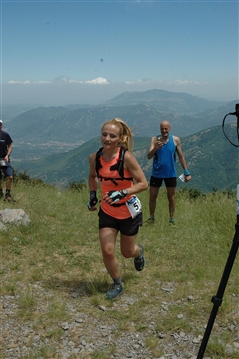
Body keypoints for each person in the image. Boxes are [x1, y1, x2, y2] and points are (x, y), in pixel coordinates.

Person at [88, 118, 148, 300]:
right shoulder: (95, 158)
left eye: (112, 136)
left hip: (128, 212)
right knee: (107, 250)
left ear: (120, 138)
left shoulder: (126, 158)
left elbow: (143, 184)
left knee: (127, 252)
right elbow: (92, 176)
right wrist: (92, 195)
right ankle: (117, 283)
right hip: (107, 211)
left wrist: (122, 192)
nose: (106, 139)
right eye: (104, 134)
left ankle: (139, 252)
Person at [147, 120, 191, 224]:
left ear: (169, 128)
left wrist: (186, 171)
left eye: (166, 128)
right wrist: (155, 148)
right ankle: (151, 217)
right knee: (152, 196)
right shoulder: (154, 139)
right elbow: (149, 156)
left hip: (170, 173)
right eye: (162, 128)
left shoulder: (175, 140)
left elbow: (181, 156)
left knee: (171, 197)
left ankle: (171, 219)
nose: (164, 130)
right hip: (156, 173)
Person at [0, 119, 15, 202]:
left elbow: (10, 146)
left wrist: (7, 155)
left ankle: (8, 194)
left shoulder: (5, 135)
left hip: (3, 158)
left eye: (0, 124)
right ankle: (0, 192)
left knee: (9, 176)